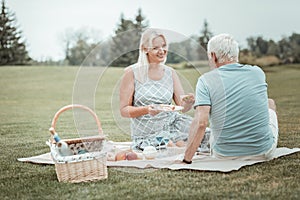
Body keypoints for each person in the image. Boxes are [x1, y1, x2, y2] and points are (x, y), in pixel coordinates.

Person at [182, 33, 279, 164]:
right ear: (236, 54)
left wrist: (186, 159)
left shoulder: (205, 81)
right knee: (270, 103)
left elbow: (201, 123)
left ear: (213, 56)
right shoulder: (257, 72)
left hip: (223, 154)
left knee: (202, 113)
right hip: (262, 153)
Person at [119, 28, 196, 150]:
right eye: (156, 48)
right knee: (175, 147)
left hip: (172, 124)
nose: (162, 51)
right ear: (145, 49)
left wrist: (188, 102)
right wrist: (147, 109)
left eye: (164, 46)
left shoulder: (170, 73)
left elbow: (182, 107)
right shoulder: (131, 73)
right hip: (147, 133)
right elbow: (124, 111)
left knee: (204, 135)